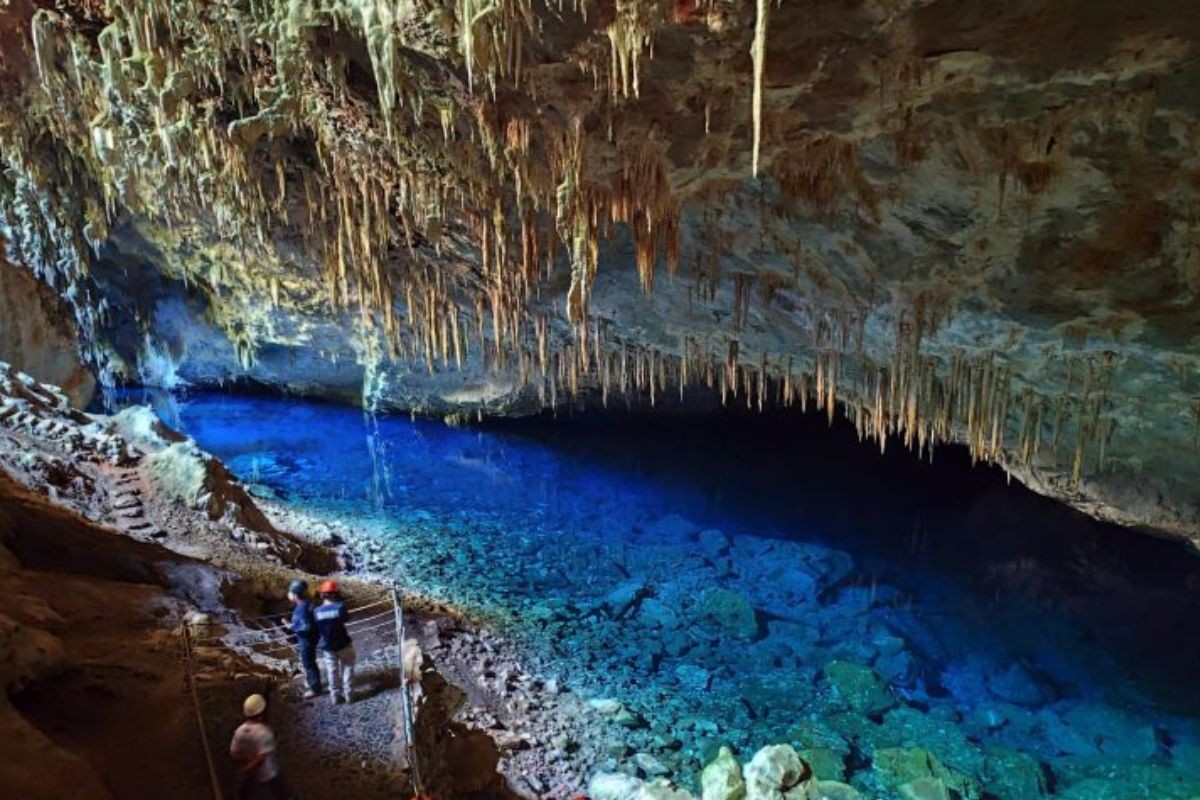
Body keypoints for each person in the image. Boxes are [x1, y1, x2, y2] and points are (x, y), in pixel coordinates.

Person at [229, 693, 292, 800]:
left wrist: (246, 762)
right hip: (268, 774)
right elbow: (261, 758)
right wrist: (248, 768)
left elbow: (233, 753)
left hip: (250, 778)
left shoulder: (239, 731)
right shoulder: (264, 733)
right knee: (281, 793)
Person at [313, 580, 356, 703]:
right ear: (335, 594)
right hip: (343, 643)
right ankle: (349, 694)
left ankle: (335, 696)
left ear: (322, 594)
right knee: (348, 667)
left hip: (327, 646)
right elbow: (345, 619)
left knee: (332, 671)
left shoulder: (316, 611)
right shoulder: (340, 607)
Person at [287, 579, 322, 700]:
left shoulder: (301, 608)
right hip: (311, 637)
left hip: (306, 639)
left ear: (295, 594)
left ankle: (315, 688)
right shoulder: (307, 603)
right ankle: (312, 681)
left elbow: (306, 626)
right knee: (310, 661)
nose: (289, 594)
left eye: (291, 592)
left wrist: (292, 627)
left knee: (308, 663)